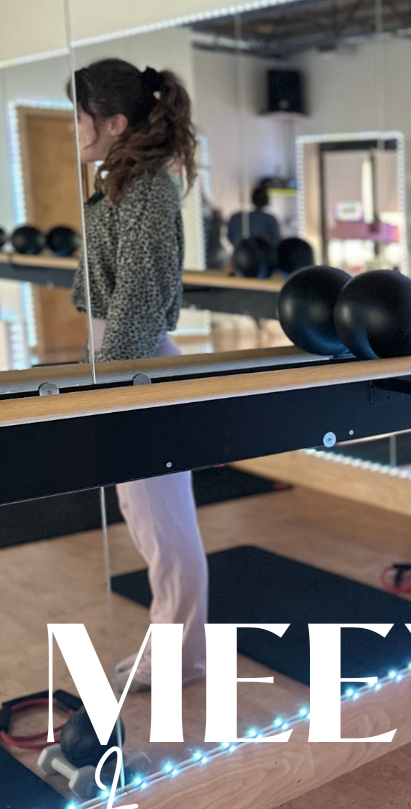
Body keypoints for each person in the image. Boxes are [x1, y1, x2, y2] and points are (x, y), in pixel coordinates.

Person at [70, 58, 209, 690]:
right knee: (149, 523)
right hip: (122, 362)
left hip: (139, 366)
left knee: (165, 526)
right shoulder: (122, 184)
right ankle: (175, 647)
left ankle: (182, 657)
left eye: (79, 116)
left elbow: (138, 300)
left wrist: (110, 386)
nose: (73, 129)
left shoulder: (147, 190)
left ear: (115, 123)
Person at [227, 181, 282, 249]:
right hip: (263, 253)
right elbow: (276, 240)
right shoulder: (270, 219)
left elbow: (230, 237)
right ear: (267, 199)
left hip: (241, 253)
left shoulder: (236, 217)